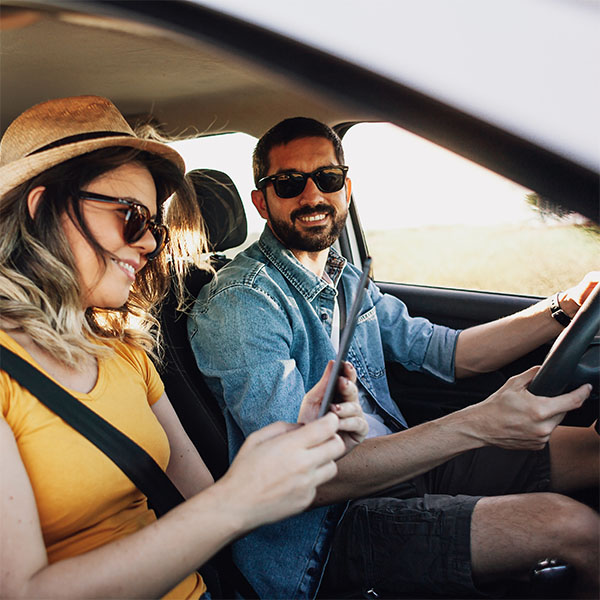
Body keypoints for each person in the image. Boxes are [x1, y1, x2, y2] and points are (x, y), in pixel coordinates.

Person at [188, 117, 599, 599]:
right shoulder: (241, 303)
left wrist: (564, 306)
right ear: (261, 200)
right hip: (325, 530)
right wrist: (479, 423)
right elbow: (299, 476)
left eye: (328, 178)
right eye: (289, 183)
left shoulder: (344, 278)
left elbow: (446, 353)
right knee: (574, 528)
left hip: (395, 465)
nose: (312, 196)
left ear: (346, 187)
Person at [0, 98, 369, 600]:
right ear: (42, 208)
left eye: (154, 225)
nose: (150, 244)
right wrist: (236, 501)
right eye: (131, 218)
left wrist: (301, 442)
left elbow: (205, 504)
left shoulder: (126, 353)